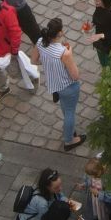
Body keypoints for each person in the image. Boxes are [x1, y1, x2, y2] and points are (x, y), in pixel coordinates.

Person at [40, 18, 86, 150]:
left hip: (55, 84)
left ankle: (70, 131)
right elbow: (75, 75)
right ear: (60, 33)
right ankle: (69, 140)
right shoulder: (63, 53)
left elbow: (34, 60)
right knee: (70, 112)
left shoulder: (40, 42)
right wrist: (69, 53)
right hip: (68, 86)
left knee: (65, 108)